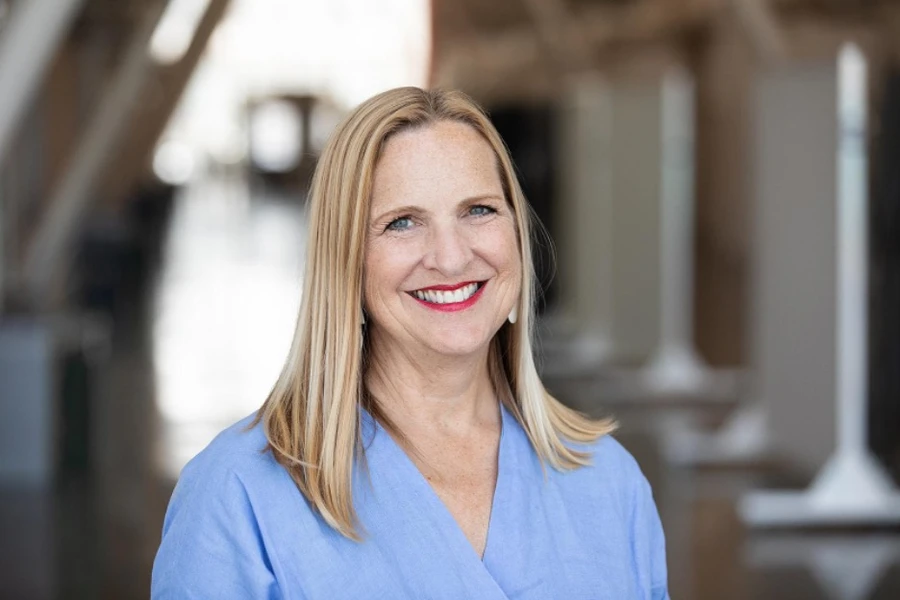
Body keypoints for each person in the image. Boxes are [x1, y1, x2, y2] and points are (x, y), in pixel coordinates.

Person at [151, 87, 669, 599]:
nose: (450, 257)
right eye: (402, 222)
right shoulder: (238, 497)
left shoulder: (609, 483)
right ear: (346, 260)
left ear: (516, 229)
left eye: (479, 210)